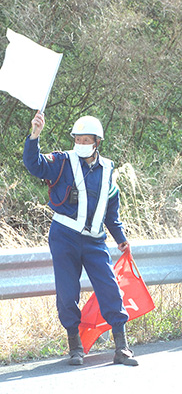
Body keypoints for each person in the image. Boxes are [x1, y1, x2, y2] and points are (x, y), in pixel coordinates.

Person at [23, 111, 138, 366]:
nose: (82, 144)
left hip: (95, 241)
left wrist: (120, 238)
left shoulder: (108, 169)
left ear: (97, 142)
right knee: (67, 292)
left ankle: (122, 348)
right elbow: (33, 164)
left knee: (110, 289)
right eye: (78, 139)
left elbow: (111, 211)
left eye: (87, 140)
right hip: (64, 236)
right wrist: (34, 135)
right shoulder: (62, 162)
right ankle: (75, 347)